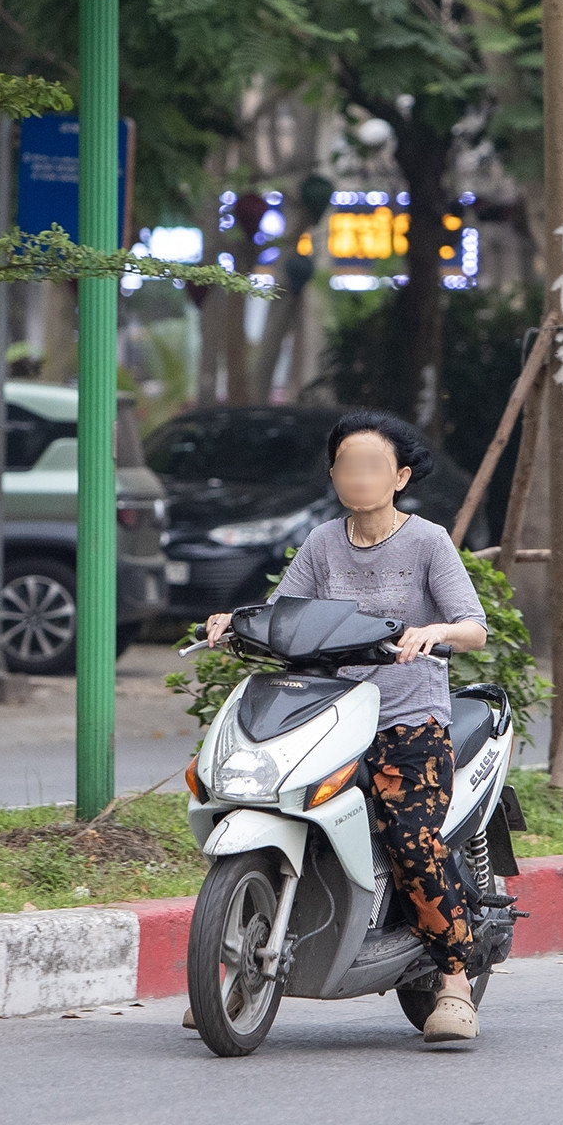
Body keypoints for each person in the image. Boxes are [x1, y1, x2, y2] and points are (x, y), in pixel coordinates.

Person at [204, 410, 490, 1043]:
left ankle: (453, 979)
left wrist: (435, 632)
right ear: (334, 475)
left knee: (411, 838)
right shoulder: (322, 542)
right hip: (330, 716)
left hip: (408, 721)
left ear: (400, 477)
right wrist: (236, 622)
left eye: (372, 467)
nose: (357, 477)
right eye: (346, 466)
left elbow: (473, 624)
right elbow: (285, 613)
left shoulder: (427, 542)